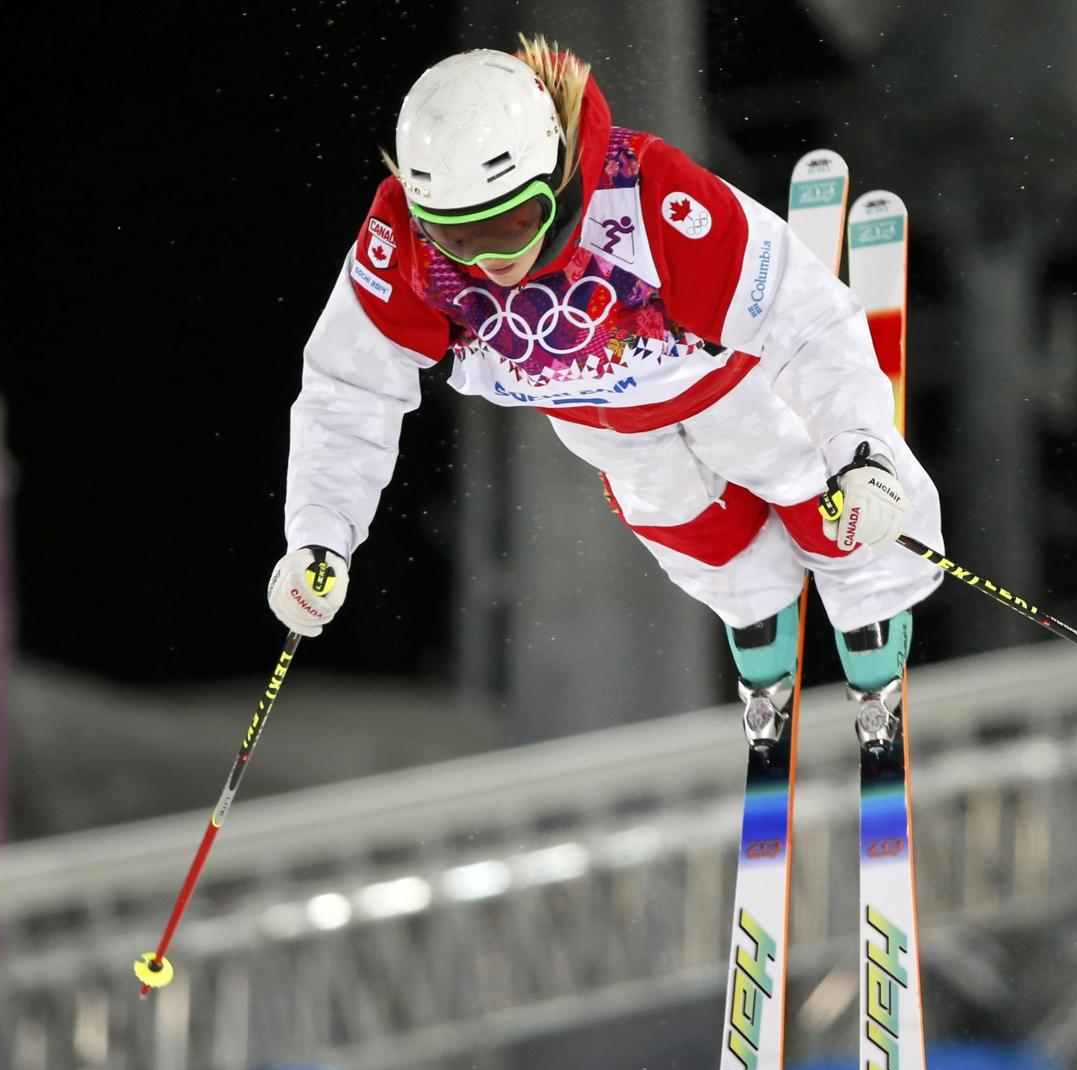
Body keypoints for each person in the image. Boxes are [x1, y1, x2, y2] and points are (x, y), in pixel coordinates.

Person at [266, 35, 945, 746]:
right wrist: (320, 538)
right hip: (600, 425)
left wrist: (862, 451)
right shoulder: (401, 243)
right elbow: (350, 389)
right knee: (687, 530)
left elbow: (805, 321)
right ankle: (757, 624)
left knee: (808, 482)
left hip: (721, 382)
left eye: (515, 223)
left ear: (553, 177)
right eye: (459, 239)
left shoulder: (648, 192)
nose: (492, 261)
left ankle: (871, 619)